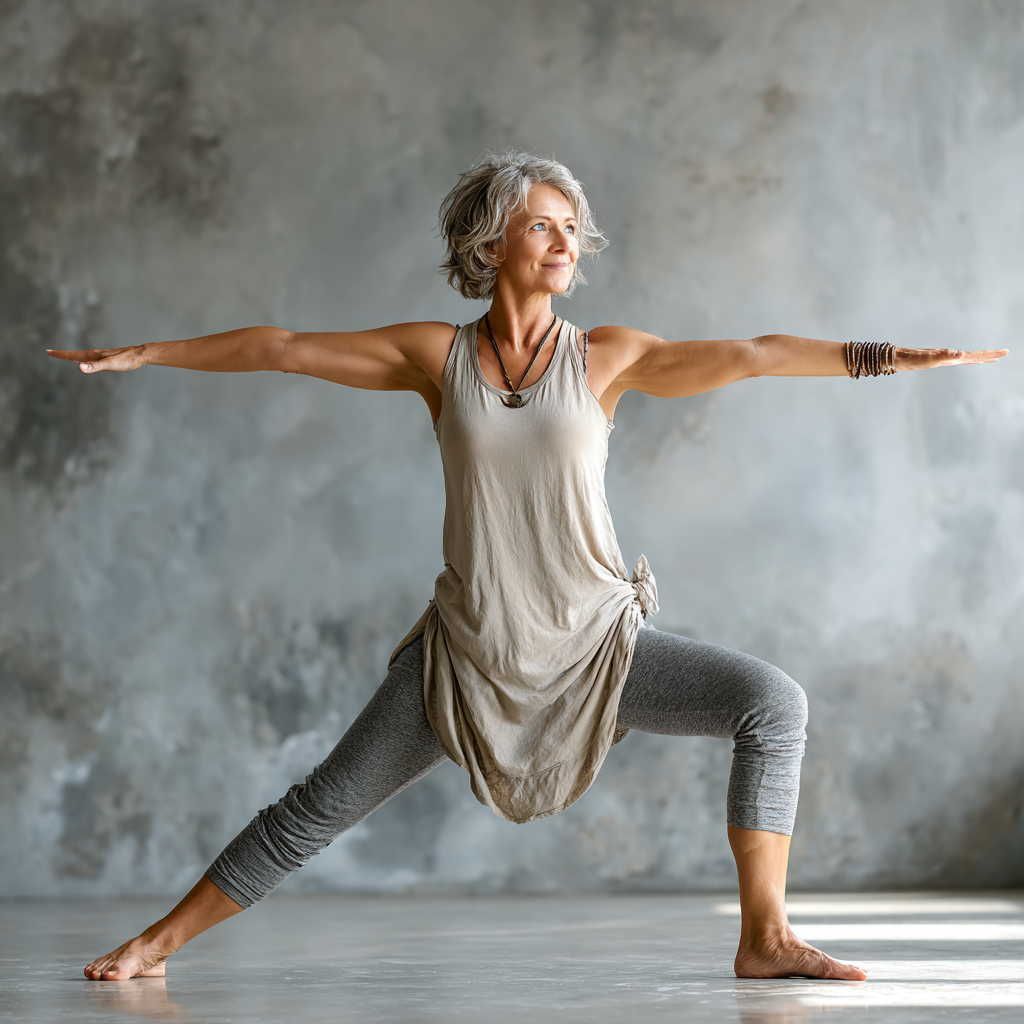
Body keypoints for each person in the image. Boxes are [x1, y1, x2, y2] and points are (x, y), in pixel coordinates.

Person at [48, 150, 1005, 984]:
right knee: (320, 805)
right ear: (491, 240)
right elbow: (286, 347)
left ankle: (767, 936)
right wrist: (150, 353)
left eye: (570, 229)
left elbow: (755, 354)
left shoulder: (608, 358)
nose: (562, 242)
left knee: (774, 703)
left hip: (597, 647)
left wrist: (885, 357)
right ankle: (156, 944)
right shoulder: (436, 356)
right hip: (470, 656)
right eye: (540, 225)